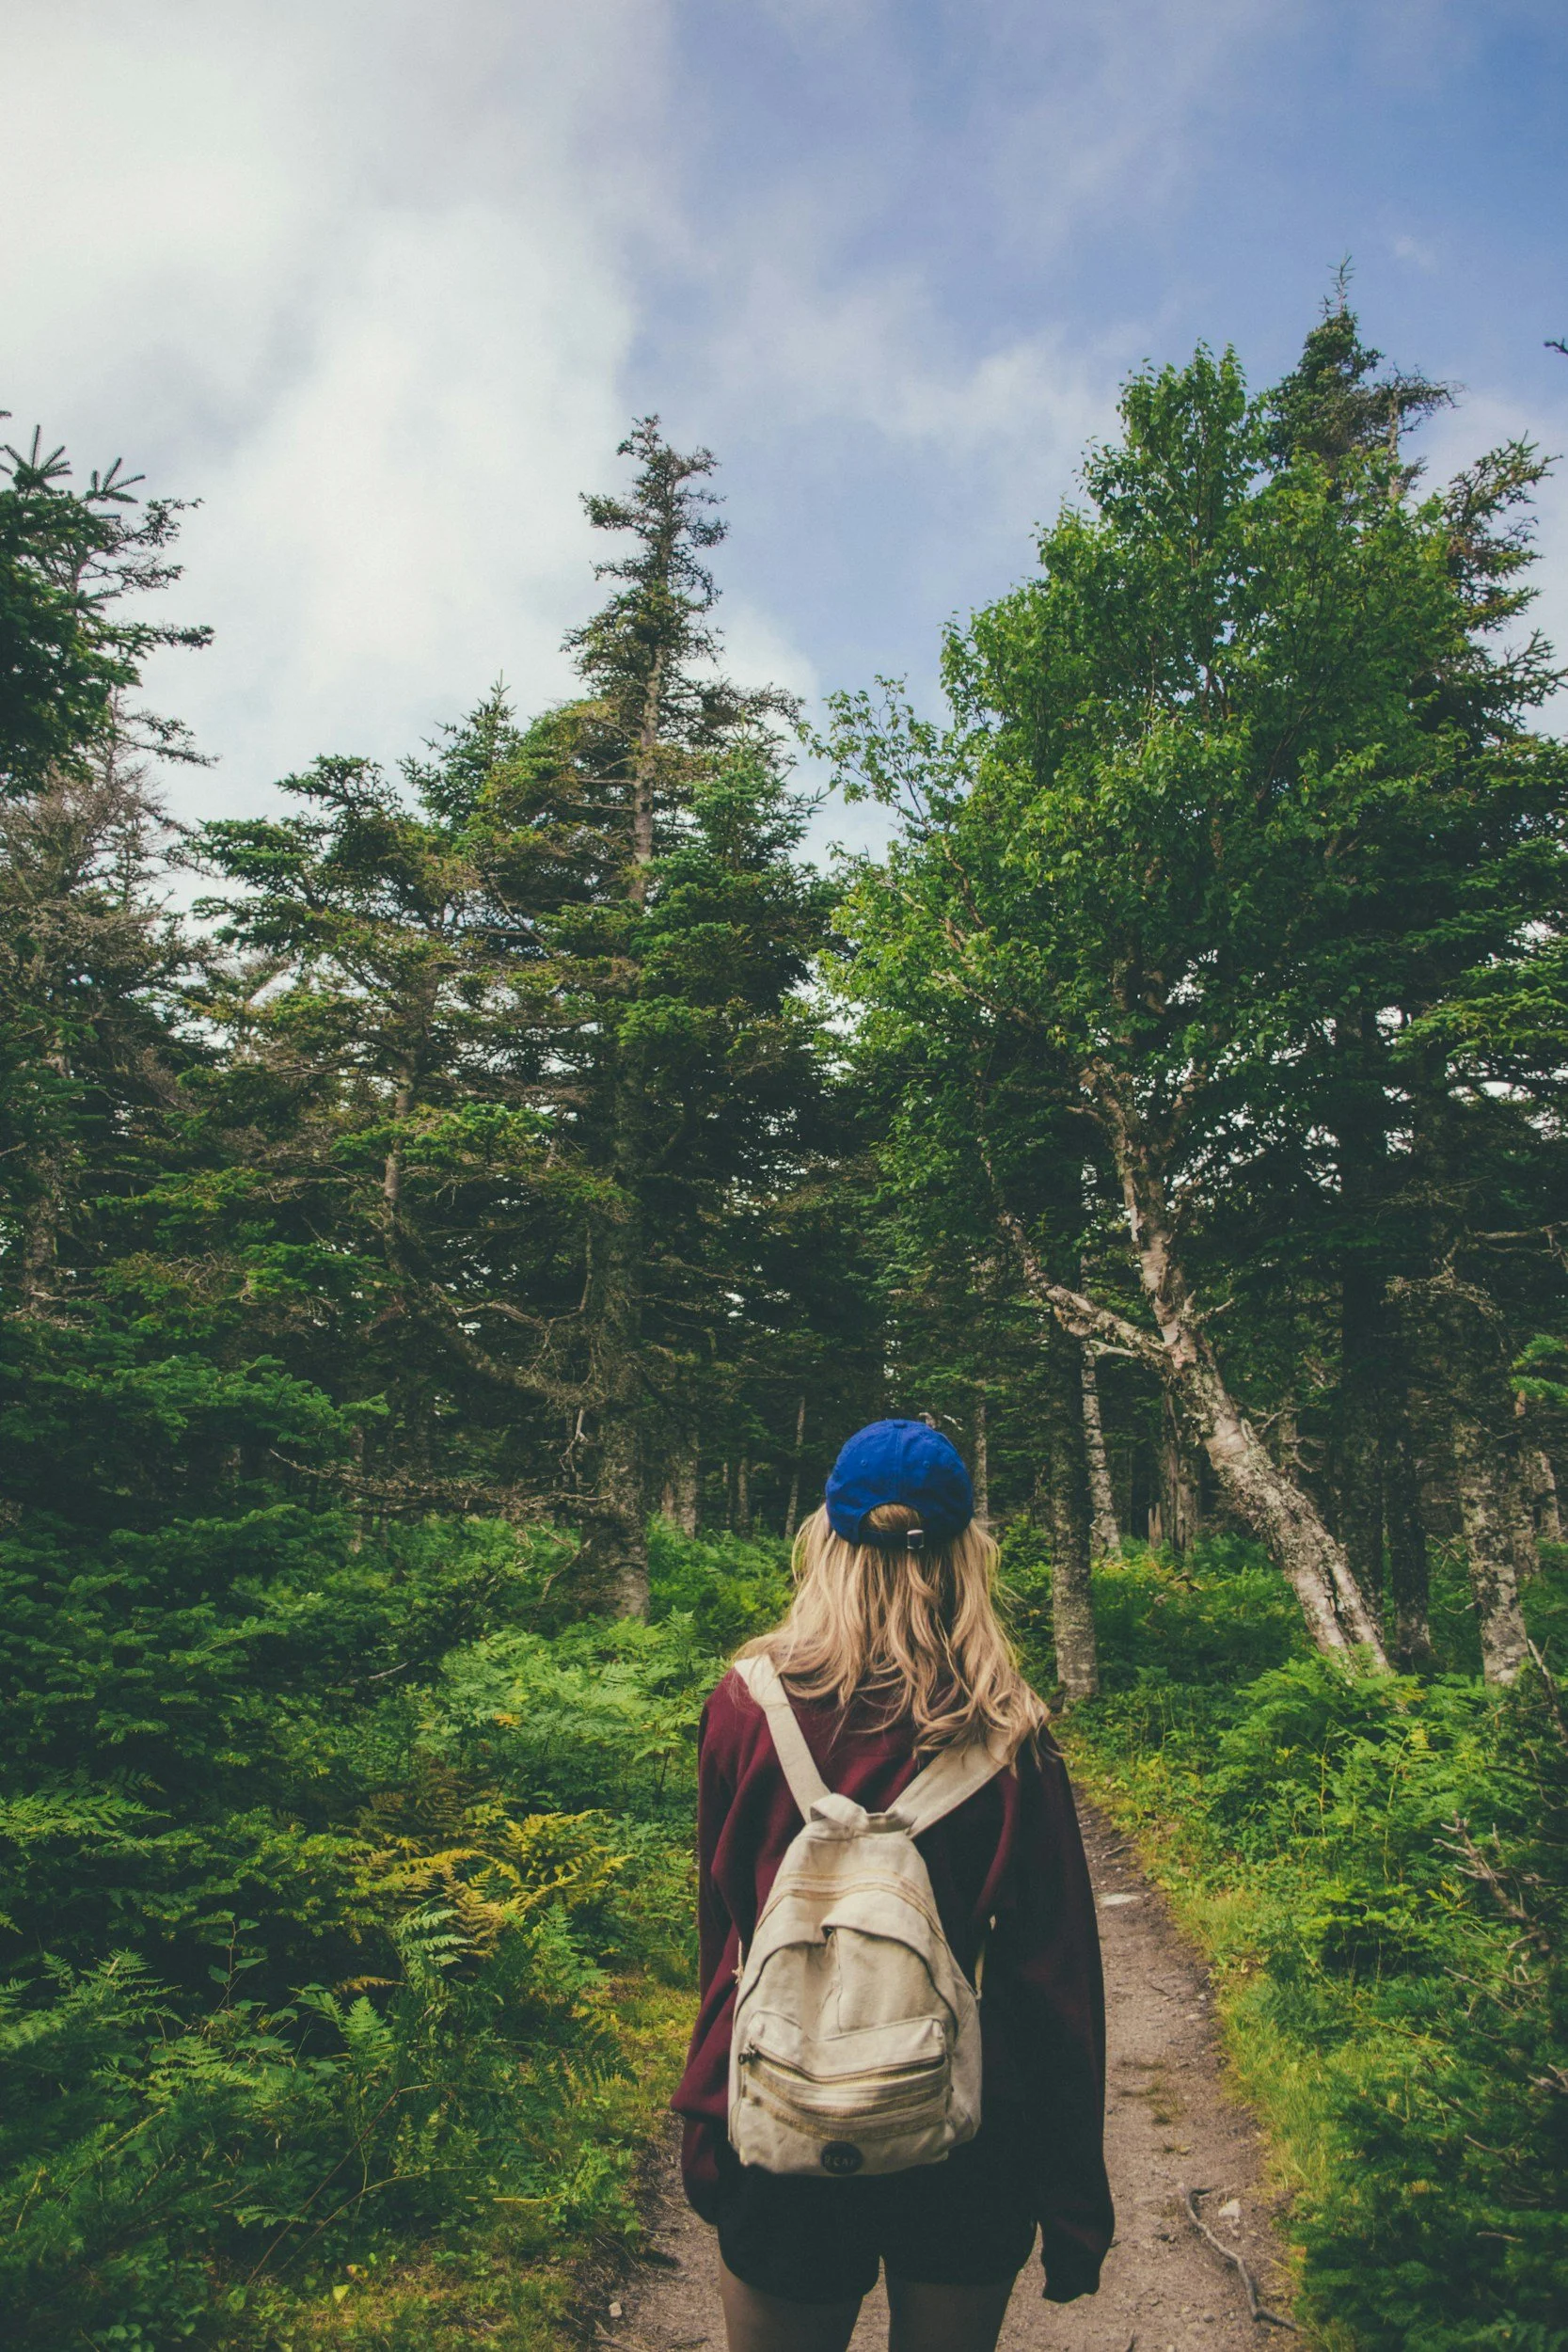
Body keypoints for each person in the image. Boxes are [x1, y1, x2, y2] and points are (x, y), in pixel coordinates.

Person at [673, 1418, 1113, 2352]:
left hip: (784, 2120)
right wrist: (1072, 2202)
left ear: (826, 1542)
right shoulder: (1009, 1736)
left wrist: (708, 2116)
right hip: (960, 2129)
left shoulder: (744, 1707)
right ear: (965, 1555)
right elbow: (1053, 1985)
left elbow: (727, 1935)